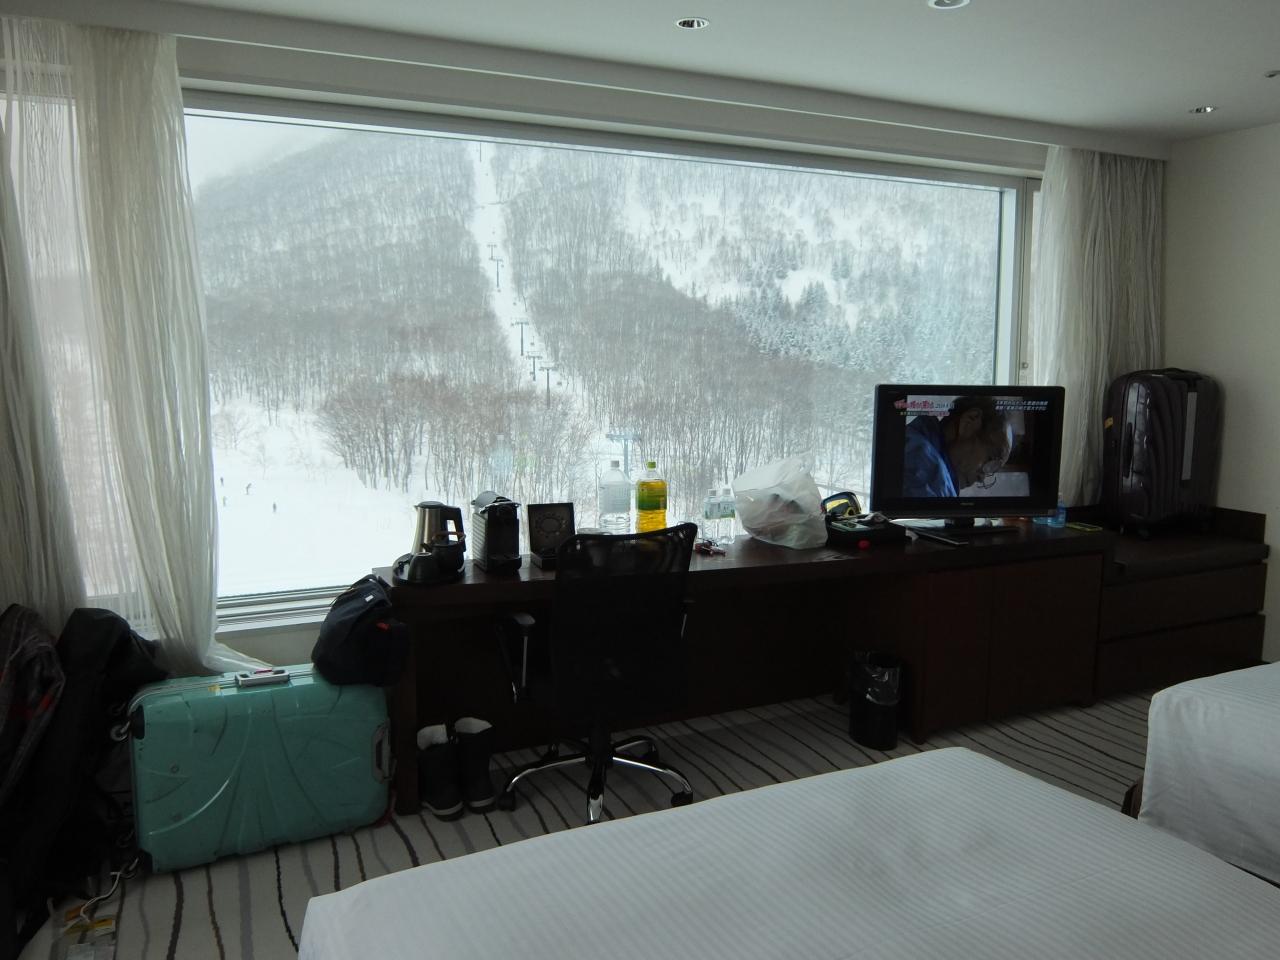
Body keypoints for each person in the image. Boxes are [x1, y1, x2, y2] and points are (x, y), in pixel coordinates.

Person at [902, 396, 1013, 497]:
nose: (981, 478)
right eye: (991, 459)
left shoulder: (911, 441)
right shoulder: (925, 473)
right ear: (970, 421)